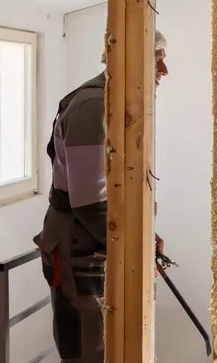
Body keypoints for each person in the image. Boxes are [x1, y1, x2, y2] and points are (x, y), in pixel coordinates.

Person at [34, 31, 169, 362]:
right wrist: (136, 248)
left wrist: (144, 236)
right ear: (130, 60)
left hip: (93, 244)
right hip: (81, 248)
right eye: (157, 58)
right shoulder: (94, 107)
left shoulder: (115, 102)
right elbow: (90, 202)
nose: (164, 69)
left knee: (109, 342)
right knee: (90, 348)